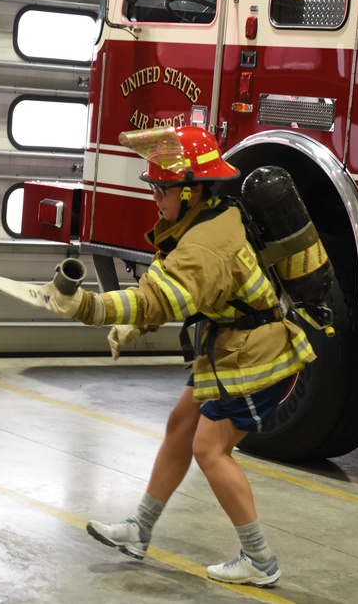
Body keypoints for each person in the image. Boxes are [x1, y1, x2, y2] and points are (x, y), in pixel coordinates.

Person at [43, 125, 315, 587]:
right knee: (181, 424)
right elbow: (171, 293)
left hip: (255, 358)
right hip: (230, 346)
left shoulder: (205, 246)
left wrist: (89, 307)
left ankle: (260, 560)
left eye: (161, 188)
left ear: (190, 191)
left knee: (210, 450)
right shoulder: (207, 218)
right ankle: (140, 529)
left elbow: (162, 298)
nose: (155, 197)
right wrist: (134, 323)